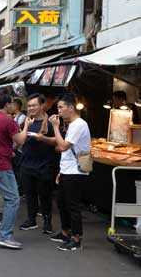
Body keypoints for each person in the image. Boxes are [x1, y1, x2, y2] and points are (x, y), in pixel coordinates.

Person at [0, 93, 33, 249]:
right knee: (13, 199)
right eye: (11, 103)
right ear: (8, 104)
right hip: (0, 164)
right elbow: (21, 140)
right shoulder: (7, 120)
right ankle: (5, 235)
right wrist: (26, 126)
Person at [49, 93, 91, 251]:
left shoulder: (79, 124)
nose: (58, 111)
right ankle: (66, 232)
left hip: (76, 172)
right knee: (62, 203)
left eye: (61, 107)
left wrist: (54, 127)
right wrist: (62, 170)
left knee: (73, 206)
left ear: (71, 108)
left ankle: (76, 239)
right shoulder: (72, 124)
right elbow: (66, 151)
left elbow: (63, 146)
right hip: (68, 170)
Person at [18, 93, 56, 234]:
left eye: (34, 105)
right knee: (29, 194)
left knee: (45, 195)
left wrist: (43, 138)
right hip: (26, 163)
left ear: (41, 106)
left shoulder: (51, 122)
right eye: (29, 106)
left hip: (44, 164)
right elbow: (19, 139)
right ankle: (31, 219)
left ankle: (47, 221)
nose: (31, 108)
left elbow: (57, 141)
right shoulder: (26, 122)